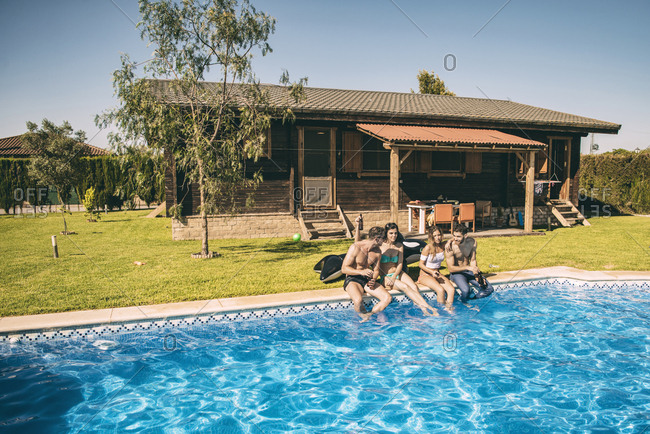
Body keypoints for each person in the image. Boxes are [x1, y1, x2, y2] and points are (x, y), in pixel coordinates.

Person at [378, 223, 438, 316]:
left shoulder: (399, 245)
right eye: (391, 233)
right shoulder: (380, 246)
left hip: (397, 273)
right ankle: (426, 307)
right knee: (405, 287)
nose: (394, 235)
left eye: (395, 233)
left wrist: (394, 276)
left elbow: (400, 263)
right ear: (386, 233)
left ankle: (424, 308)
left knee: (414, 287)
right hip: (385, 276)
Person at [341, 226, 392, 321]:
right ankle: (359, 321)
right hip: (353, 278)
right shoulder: (356, 247)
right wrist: (361, 271)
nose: (385, 241)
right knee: (358, 300)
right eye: (383, 239)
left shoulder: (377, 252)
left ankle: (369, 315)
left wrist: (373, 280)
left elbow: (376, 270)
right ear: (377, 239)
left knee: (387, 298)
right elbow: (344, 269)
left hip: (367, 280)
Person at [444, 224, 494, 302]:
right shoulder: (450, 247)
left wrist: (477, 274)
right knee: (466, 291)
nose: (455, 239)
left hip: (469, 271)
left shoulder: (472, 242)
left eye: (458, 237)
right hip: (456, 273)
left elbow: (473, 260)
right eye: (454, 236)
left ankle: (474, 300)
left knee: (488, 288)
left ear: (465, 235)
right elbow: (451, 269)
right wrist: (468, 267)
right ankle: (463, 304)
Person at [418, 225, 456, 310]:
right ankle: (440, 311)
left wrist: (449, 241)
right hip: (425, 275)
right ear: (431, 237)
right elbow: (420, 264)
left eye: (439, 235)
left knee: (451, 290)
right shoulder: (428, 248)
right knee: (440, 290)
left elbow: (454, 238)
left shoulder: (443, 245)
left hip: (437, 274)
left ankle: (449, 309)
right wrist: (431, 272)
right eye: (435, 236)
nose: (437, 238)